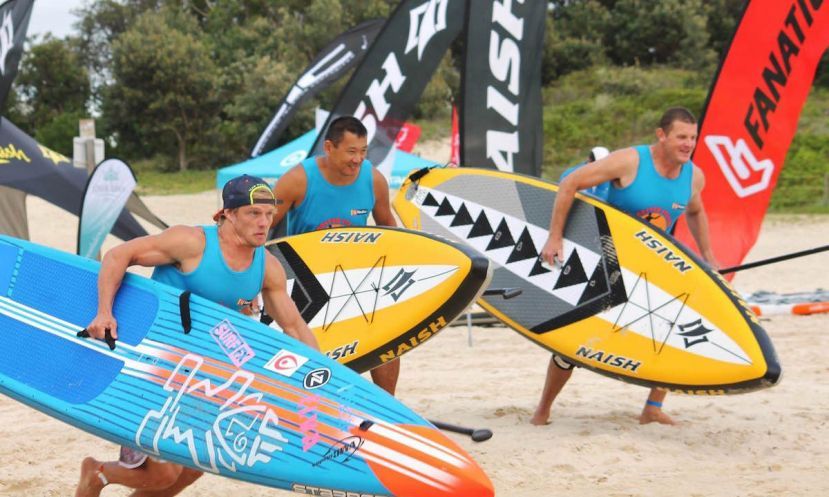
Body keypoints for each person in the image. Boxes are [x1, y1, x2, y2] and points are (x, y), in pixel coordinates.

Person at [75, 174, 319, 497]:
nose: (264, 223)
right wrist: (104, 311)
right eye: (253, 214)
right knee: (163, 473)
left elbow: (295, 327)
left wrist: (324, 377)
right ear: (228, 213)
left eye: (269, 215)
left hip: (204, 375)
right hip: (155, 365)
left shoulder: (267, 268)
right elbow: (119, 256)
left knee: (192, 470)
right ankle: (97, 473)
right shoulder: (191, 244)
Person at [530, 107, 718, 427]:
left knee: (677, 329)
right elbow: (570, 183)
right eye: (681, 137)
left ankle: (652, 408)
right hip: (607, 261)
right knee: (575, 340)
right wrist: (555, 237)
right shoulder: (630, 161)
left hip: (653, 265)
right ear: (662, 135)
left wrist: (708, 255)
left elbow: (696, 212)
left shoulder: (693, 176)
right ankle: (543, 410)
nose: (688, 144)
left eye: (693, 138)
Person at [270, 116, 401, 395]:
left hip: (356, 273)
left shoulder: (374, 180)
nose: (358, 159)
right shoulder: (297, 180)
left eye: (363, 151)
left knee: (387, 331)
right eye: (351, 151)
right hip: (305, 278)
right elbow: (259, 227)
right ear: (329, 148)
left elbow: (391, 231)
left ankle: (388, 404)